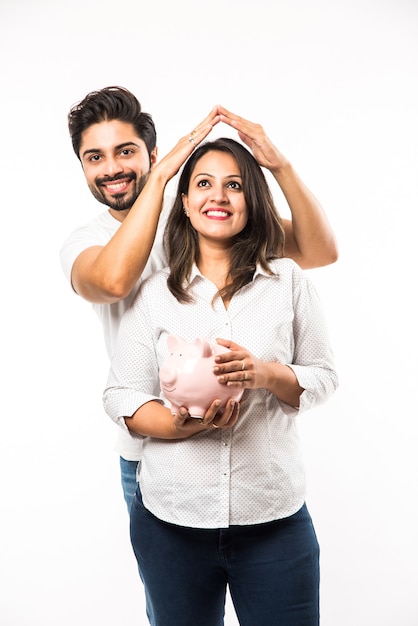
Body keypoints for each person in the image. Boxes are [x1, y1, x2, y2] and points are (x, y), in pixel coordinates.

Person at [60, 86, 338, 514]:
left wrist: (279, 166)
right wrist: (163, 179)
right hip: (152, 451)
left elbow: (318, 250)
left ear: (153, 154)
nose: (112, 168)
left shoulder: (199, 210)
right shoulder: (87, 242)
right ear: (81, 167)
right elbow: (114, 281)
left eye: (126, 151)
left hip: (249, 447)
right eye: (94, 157)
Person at [103, 135, 338, 625]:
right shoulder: (154, 295)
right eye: (204, 184)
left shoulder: (289, 283)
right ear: (185, 203)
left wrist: (266, 374)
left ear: (253, 200)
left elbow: (324, 376)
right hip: (171, 521)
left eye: (234, 185)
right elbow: (121, 394)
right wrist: (181, 427)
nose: (219, 196)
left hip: (272, 519)